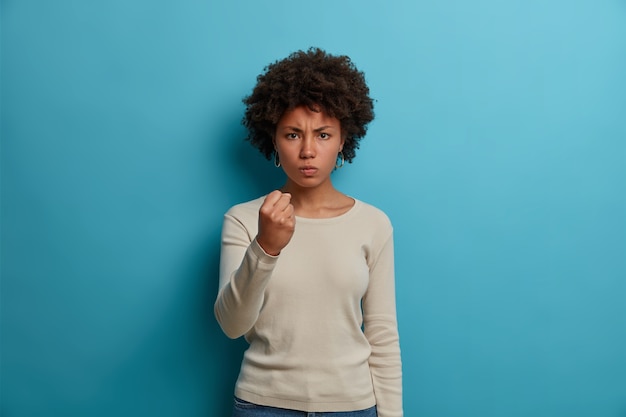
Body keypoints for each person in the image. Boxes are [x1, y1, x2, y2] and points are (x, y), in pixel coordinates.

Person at [215, 48, 403, 417]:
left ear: (343, 140)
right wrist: (265, 247)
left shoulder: (374, 224)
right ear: (273, 140)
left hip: (352, 407)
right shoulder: (243, 219)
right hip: (263, 406)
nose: (307, 150)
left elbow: (382, 336)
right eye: (292, 134)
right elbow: (232, 325)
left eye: (322, 134)